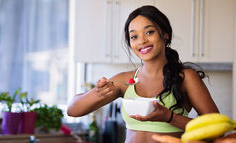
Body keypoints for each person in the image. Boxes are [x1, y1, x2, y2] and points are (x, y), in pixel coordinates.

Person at [67, 5, 219, 143]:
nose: (142, 41)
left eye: (149, 32)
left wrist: (169, 117)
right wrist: (97, 93)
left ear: (164, 34)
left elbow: (216, 130)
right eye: (134, 36)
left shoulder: (185, 77)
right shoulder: (125, 80)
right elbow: (73, 110)